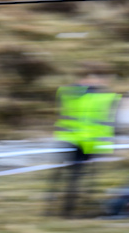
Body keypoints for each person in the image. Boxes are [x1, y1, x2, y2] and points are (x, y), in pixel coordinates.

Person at [49, 62, 119, 217]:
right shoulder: (101, 98)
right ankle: (69, 210)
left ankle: (60, 208)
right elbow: (109, 122)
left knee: (67, 176)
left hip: (71, 139)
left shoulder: (70, 93)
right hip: (84, 142)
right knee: (75, 178)